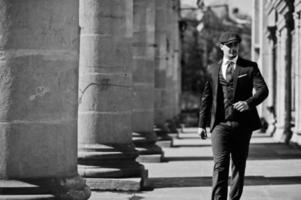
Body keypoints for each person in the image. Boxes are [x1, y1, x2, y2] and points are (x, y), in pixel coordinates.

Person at [198, 32, 269, 200]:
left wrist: (248, 103)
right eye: (229, 45)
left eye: (236, 45)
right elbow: (206, 98)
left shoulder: (249, 67)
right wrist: (201, 124)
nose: (233, 48)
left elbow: (263, 90)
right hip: (220, 125)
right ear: (221, 47)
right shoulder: (212, 68)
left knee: (238, 165)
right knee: (220, 165)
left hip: (242, 124)